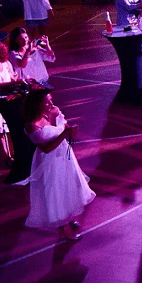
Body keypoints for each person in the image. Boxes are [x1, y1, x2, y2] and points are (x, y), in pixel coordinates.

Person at [21, 89, 94, 240]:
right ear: (36, 105)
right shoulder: (31, 125)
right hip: (49, 162)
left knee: (67, 186)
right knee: (56, 191)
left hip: (64, 156)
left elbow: (64, 125)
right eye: (46, 102)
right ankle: (63, 227)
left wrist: (68, 129)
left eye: (50, 100)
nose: (51, 104)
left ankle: (68, 218)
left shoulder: (53, 112)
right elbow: (46, 148)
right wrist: (64, 133)